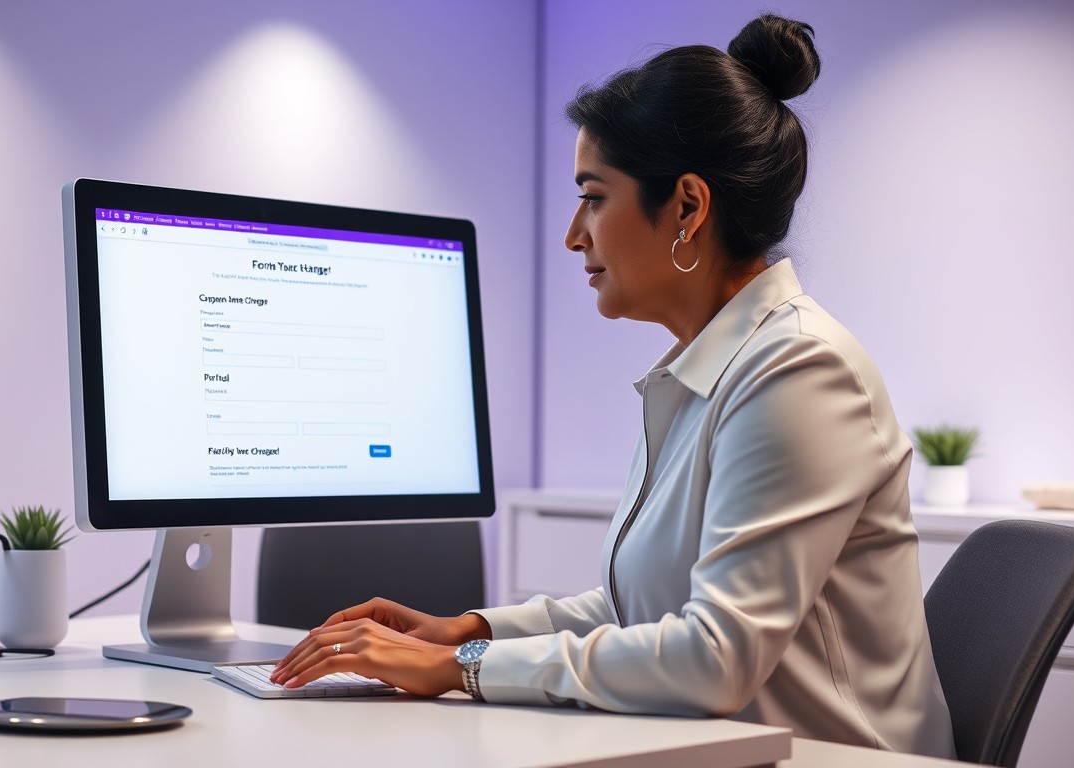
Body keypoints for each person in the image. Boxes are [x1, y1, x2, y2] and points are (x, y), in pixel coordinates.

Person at [271, 14, 956, 759]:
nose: (575, 233)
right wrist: (473, 631)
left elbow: (712, 657)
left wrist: (461, 669)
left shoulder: (799, 372)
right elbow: (642, 610)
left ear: (688, 208)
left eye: (594, 196)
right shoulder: (705, 371)